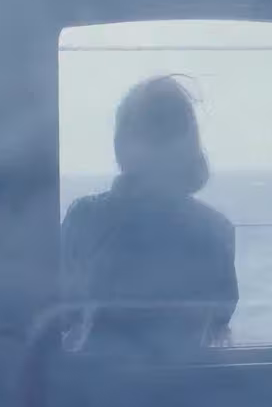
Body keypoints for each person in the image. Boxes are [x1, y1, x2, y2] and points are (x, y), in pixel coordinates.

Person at [61, 76, 238, 356]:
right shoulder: (216, 230)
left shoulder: (86, 218)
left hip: (96, 381)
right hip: (186, 381)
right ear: (190, 146)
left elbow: (59, 313)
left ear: (121, 144)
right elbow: (218, 324)